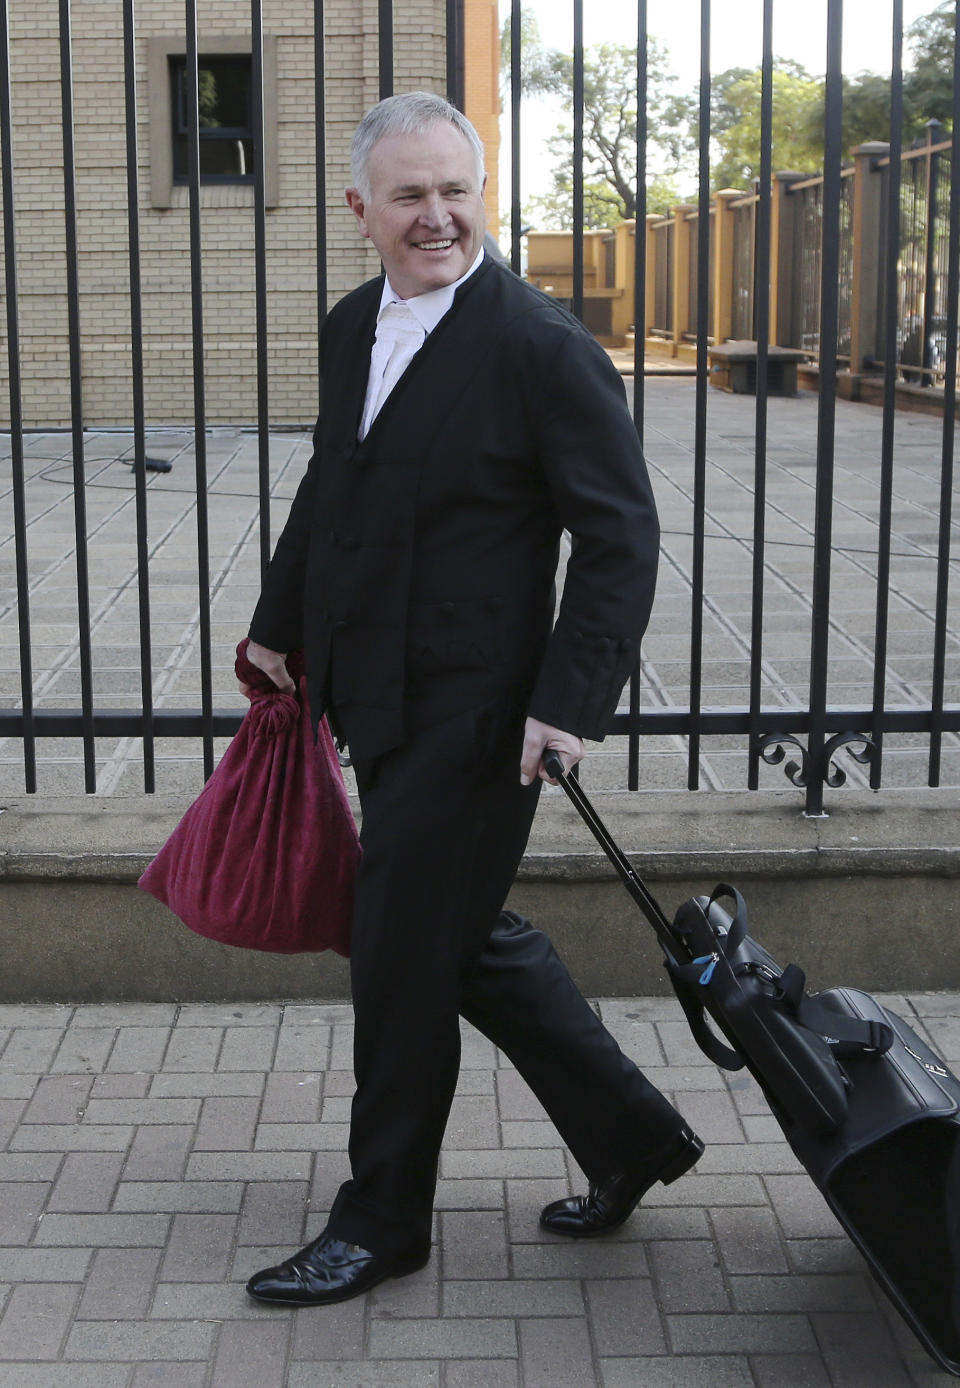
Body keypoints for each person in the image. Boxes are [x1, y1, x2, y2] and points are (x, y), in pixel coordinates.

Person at [242, 91, 703, 1308]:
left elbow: (621, 539)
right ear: (362, 210)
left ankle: (383, 1215)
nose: (438, 216)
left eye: (457, 190)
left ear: (481, 196)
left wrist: (571, 700)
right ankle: (635, 1134)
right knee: (460, 938)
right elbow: (327, 487)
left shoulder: (540, 347)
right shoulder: (354, 326)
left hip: (484, 714)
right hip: (371, 693)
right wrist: (278, 624)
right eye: (409, 195)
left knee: (401, 954)